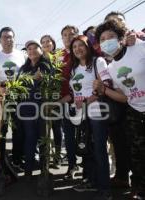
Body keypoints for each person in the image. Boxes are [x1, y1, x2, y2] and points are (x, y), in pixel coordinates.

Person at [94, 19, 145, 200]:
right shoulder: (111, 68)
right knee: (137, 154)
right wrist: (104, 89)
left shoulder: (139, 47)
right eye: (103, 39)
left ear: (121, 38)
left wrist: (140, 35)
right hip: (134, 112)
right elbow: (123, 97)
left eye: (111, 36)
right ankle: (140, 189)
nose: (107, 41)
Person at [67, 35, 112, 200]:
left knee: (100, 151)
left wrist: (88, 100)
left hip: (97, 113)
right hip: (82, 116)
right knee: (87, 150)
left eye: (81, 45)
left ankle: (105, 190)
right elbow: (75, 92)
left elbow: (105, 83)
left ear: (87, 47)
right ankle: (92, 182)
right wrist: (77, 103)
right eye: (74, 47)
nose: (77, 49)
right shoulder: (73, 69)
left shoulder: (98, 62)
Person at [17, 40, 52, 178]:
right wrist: (32, 78)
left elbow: (50, 83)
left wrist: (30, 80)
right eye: (28, 49)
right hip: (27, 107)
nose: (31, 51)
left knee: (43, 138)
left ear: (40, 50)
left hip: (42, 107)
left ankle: (44, 169)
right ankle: (28, 169)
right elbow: (18, 84)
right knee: (30, 137)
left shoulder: (46, 65)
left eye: (34, 48)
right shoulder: (23, 67)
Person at [0, 27, 26, 172]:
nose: (8, 40)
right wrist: (0, 88)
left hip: (19, 98)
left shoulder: (21, 55)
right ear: (0, 40)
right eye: (5, 37)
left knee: (18, 130)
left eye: (10, 37)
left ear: (14, 38)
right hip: (1, 98)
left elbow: (26, 75)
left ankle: (17, 160)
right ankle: (1, 160)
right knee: (1, 130)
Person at [59, 25, 80, 179]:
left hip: (82, 101)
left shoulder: (82, 52)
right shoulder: (59, 55)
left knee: (84, 137)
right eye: (65, 35)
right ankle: (72, 165)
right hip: (65, 102)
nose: (68, 37)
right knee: (69, 136)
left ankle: (88, 169)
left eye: (71, 34)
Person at [40, 34, 63, 168]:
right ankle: (45, 157)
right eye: (43, 42)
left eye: (48, 41)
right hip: (43, 98)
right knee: (44, 130)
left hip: (57, 98)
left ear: (53, 43)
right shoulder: (40, 59)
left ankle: (58, 156)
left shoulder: (59, 56)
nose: (46, 44)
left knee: (56, 127)